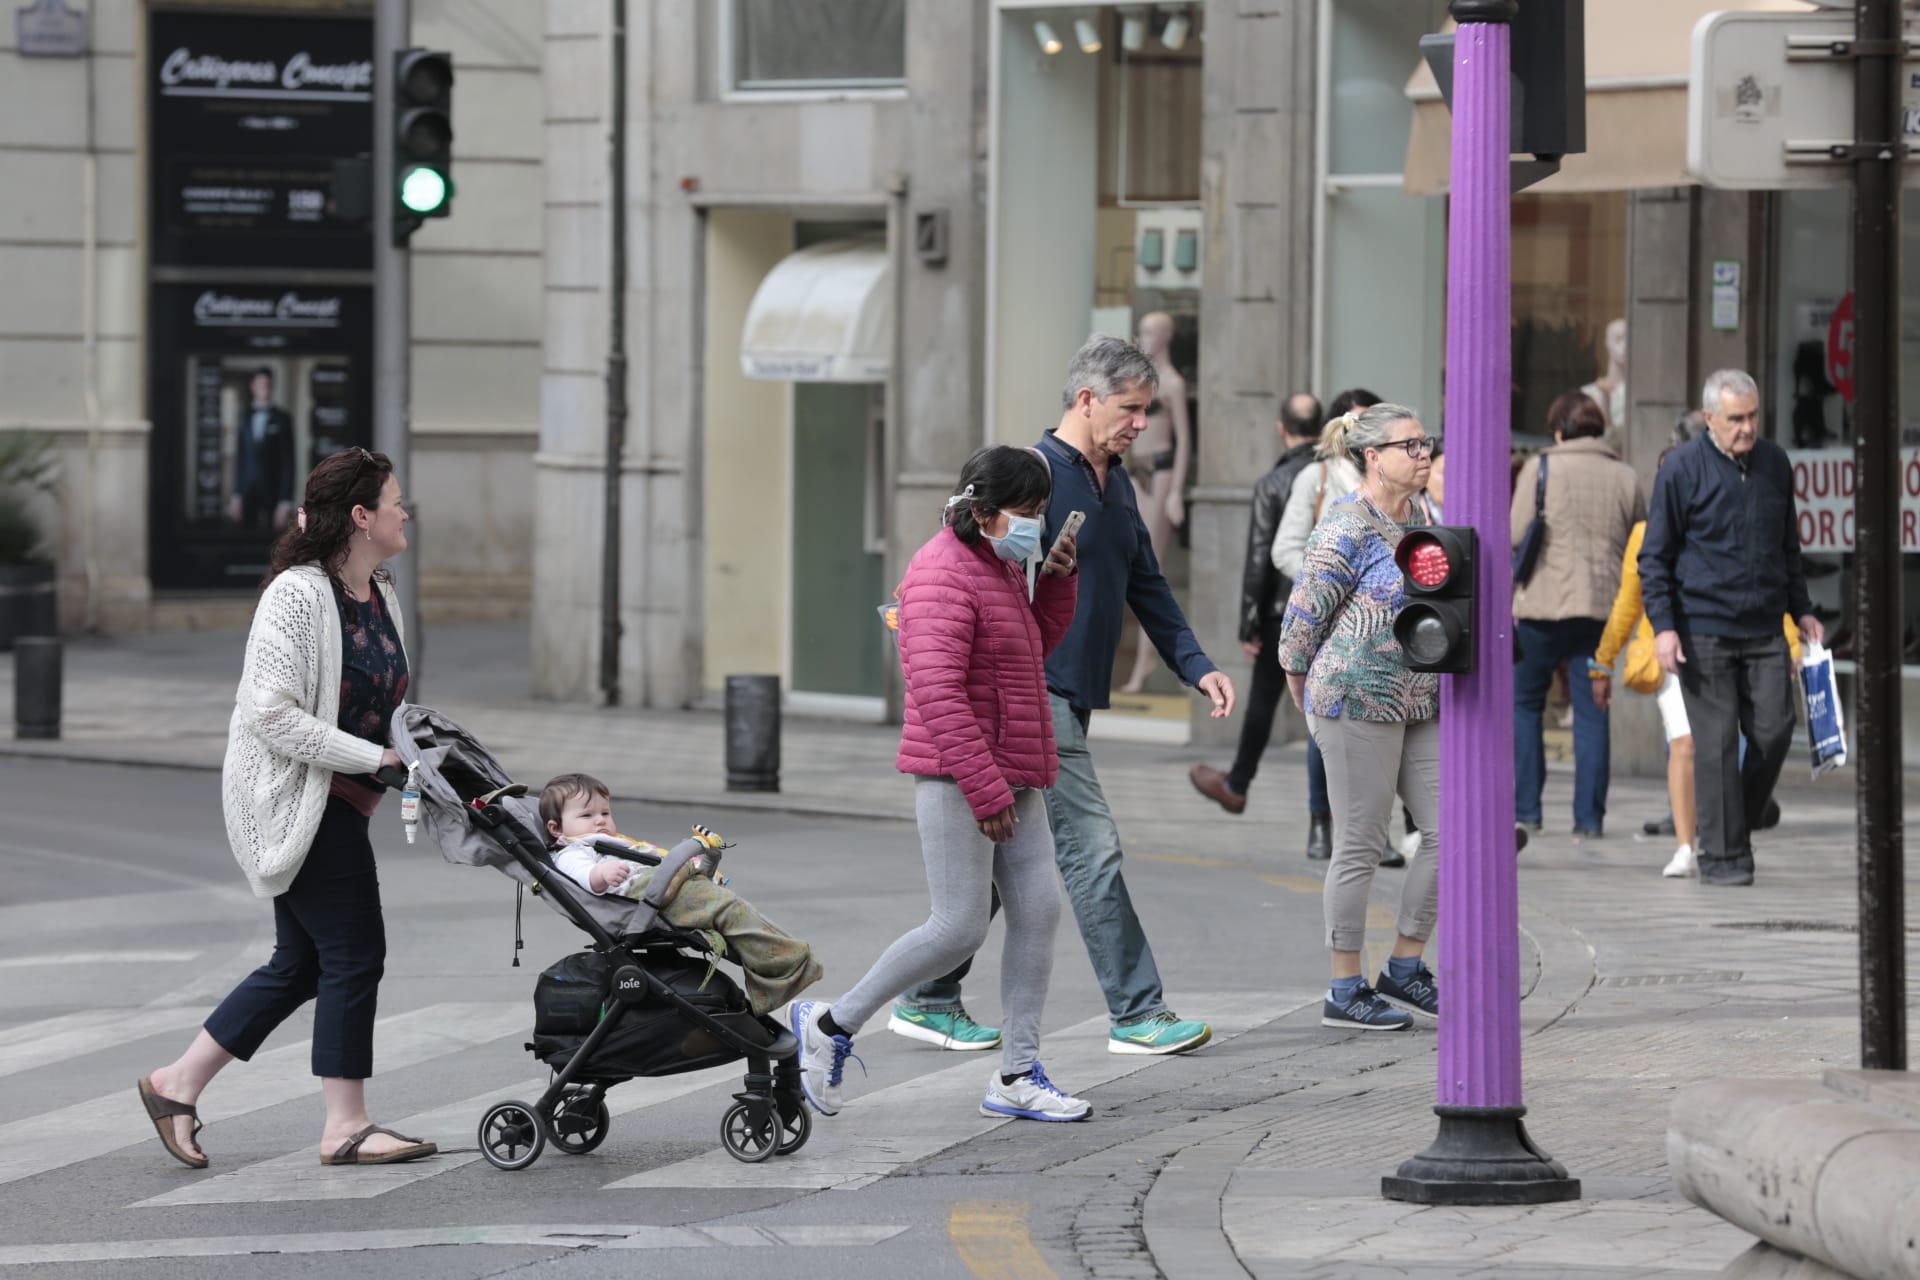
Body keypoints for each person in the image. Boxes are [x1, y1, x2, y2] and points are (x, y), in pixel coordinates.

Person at [894, 337, 1235, 1058]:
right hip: (1030, 692)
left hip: (1068, 693)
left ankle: (928, 997)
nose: (1142, 423)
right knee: (1091, 849)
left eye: (1145, 410)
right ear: (1087, 399)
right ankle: (1138, 1011)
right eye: (1131, 409)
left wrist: (1195, 664)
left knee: (1007, 859)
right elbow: (963, 573)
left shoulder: (1118, 484)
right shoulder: (1031, 478)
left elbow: (1147, 581)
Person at [139, 448, 435, 1169]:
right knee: (353, 952)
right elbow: (269, 714)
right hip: (297, 801)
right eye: (396, 502)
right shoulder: (297, 596)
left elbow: (384, 697)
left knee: (301, 962)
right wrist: (375, 760)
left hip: (345, 796)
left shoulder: (380, 591)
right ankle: (345, 1126)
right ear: (362, 517)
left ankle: (176, 1084)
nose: (407, 513)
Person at [789, 445, 1091, 1122]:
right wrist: (984, 791)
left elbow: (1028, 653)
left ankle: (1017, 1073)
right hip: (961, 774)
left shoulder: (1001, 565)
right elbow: (938, 692)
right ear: (983, 511)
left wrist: (1060, 580)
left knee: (1039, 909)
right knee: (956, 927)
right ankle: (829, 1027)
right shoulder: (940, 573)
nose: (1036, 526)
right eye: (1028, 512)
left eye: (1043, 513)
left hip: (1011, 768)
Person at [1277, 404, 1441, 1032]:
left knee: (1451, 835)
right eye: (1411, 445)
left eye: (1427, 443)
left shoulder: (1419, 517)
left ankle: (1404, 967)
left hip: (1419, 697)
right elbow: (1303, 617)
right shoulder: (1345, 525)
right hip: (1354, 698)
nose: (1424, 454)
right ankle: (1344, 987)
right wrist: (1300, 677)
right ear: (1373, 457)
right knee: (1361, 844)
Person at [1640, 369, 1822, 887]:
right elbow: (1655, 559)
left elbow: (1789, 547)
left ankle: (1731, 818)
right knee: (1716, 744)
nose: (1747, 427)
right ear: (1709, 419)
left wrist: (1802, 609)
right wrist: (1664, 628)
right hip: (1703, 629)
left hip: (1764, 626)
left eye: (1753, 416)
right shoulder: (1680, 469)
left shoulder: (1775, 463)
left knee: (1776, 729)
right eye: (1736, 419)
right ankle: (1723, 859)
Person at [1591, 451, 1802, 878]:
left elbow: (1767, 581)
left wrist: (1794, 639)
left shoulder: (1730, 525)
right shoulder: (1645, 533)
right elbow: (1628, 602)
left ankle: (1726, 825)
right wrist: (1603, 662)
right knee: (1687, 744)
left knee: (1744, 739)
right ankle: (1688, 845)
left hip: (1730, 641)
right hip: (1670, 649)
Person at [1270, 387, 1416, 867]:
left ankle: (1387, 833)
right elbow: (1286, 549)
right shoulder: (1319, 480)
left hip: (1393, 651)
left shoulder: (1410, 498)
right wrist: (1329, 581)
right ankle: (1321, 821)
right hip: (1335, 634)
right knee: (1330, 731)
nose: (1419, 454)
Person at [540, 773, 823, 1016]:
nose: (600, 821)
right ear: (556, 828)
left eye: (605, 813)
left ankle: (785, 968)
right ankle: (787, 967)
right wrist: (601, 875)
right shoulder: (572, 851)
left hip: (663, 888)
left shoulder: (612, 842)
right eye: (587, 815)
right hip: (647, 898)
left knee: (732, 912)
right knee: (728, 910)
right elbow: (581, 877)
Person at [1510, 391, 1645, 838]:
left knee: (1526, 704)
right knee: (1592, 714)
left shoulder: (1540, 466)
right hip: (1602, 612)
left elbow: (1515, 531)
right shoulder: (1625, 475)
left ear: (1558, 429)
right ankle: (1589, 820)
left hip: (1542, 609)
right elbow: (1639, 539)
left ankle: (1527, 810)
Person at [1188, 391, 1322, 833]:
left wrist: (1249, 619)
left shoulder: (1275, 481)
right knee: (1329, 709)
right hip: (1332, 607)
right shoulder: (1334, 475)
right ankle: (1321, 815)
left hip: (1282, 611)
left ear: (1281, 428)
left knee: (1264, 699)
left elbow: (1260, 555)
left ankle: (1239, 782)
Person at [1118, 311, 1192, 694]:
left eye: (1152, 331)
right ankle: (1142, 661)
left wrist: (1177, 491)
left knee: (1151, 567)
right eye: (1143, 330)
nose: (1145, 336)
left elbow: (1184, 444)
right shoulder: (1138, 381)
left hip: (1161, 475)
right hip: (1135, 473)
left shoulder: (1174, 384)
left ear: (1167, 336)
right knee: (1131, 564)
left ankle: (1150, 662)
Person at [230, 367, 297, 532]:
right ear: (253, 386)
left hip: (273, 492)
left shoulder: (282, 419)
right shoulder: (245, 417)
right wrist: (236, 495)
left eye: (267, 385)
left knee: (275, 546)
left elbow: (288, 462)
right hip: (247, 492)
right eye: (260, 384)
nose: (264, 388)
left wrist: (285, 501)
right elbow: (241, 458)